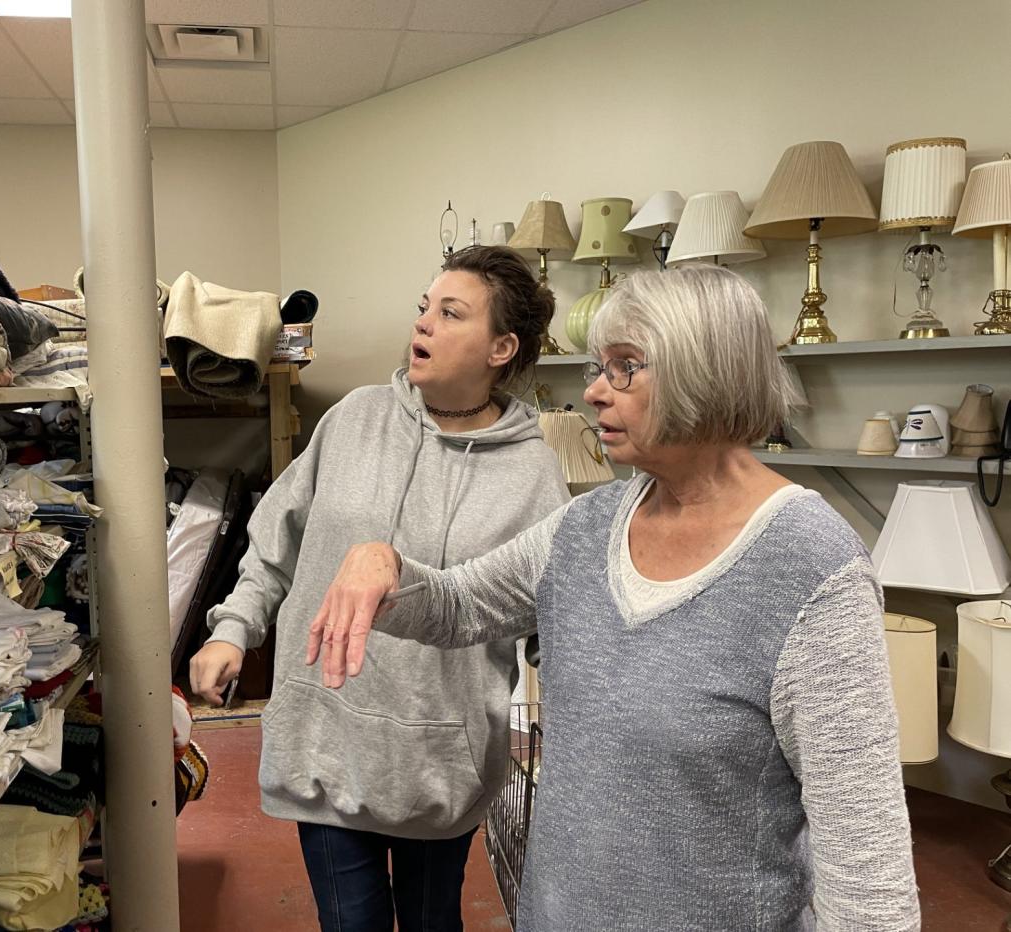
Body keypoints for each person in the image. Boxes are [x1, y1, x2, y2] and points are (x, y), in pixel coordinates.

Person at [308, 264, 921, 931]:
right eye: (597, 367)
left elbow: (869, 879)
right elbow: (459, 606)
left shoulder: (812, 566)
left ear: (703, 371)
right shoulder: (585, 527)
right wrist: (387, 565)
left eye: (625, 367)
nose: (594, 392)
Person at [189, 245, 570, 931]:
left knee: (431, 923)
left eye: (450, 313)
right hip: (324, 738)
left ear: (501, 346)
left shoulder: (535, 474)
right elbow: (277, 539)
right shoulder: (355, 419)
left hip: (439, 763)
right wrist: (232, 629)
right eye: (424, 306)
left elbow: (547, 619)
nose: (423, 323)